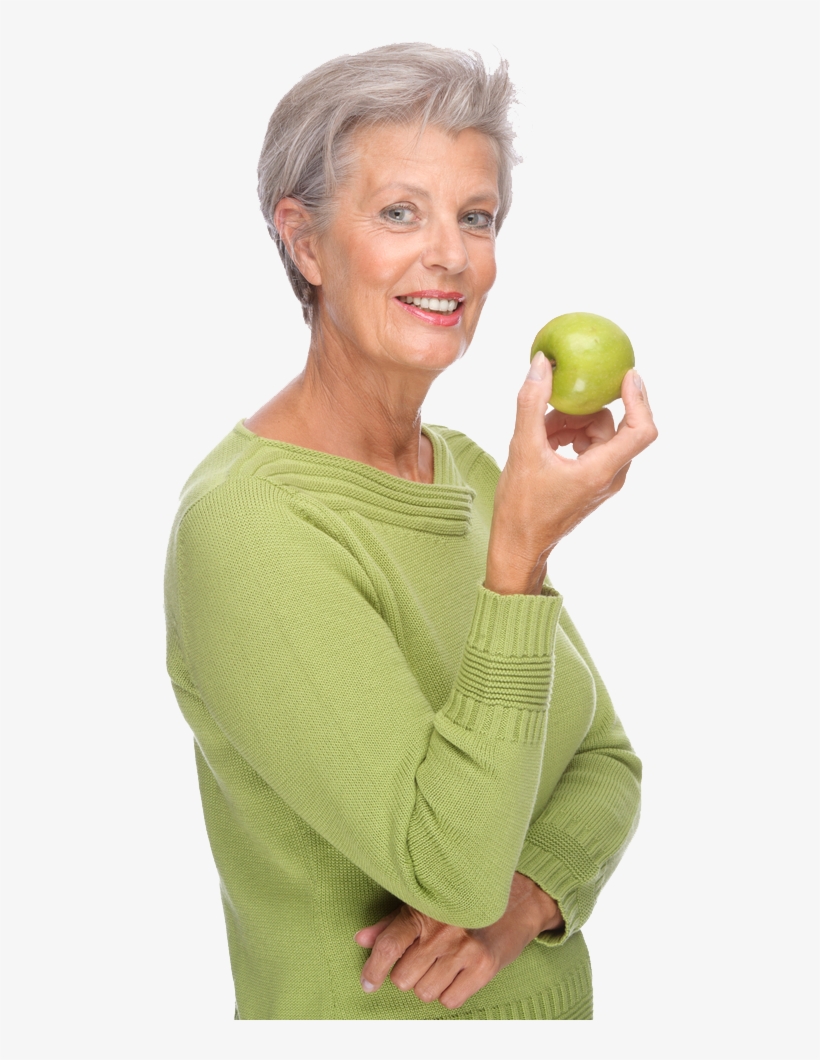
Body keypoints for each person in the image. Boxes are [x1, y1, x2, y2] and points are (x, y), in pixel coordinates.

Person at [164, 42, 658, 1021]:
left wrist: (527, 901)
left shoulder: (467, 474)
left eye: (475, 218)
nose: (449, 254)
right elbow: (449, 870)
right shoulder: (249, 524)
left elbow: (607, 763)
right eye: (400, 212)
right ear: (304, 244)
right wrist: (516, 560)